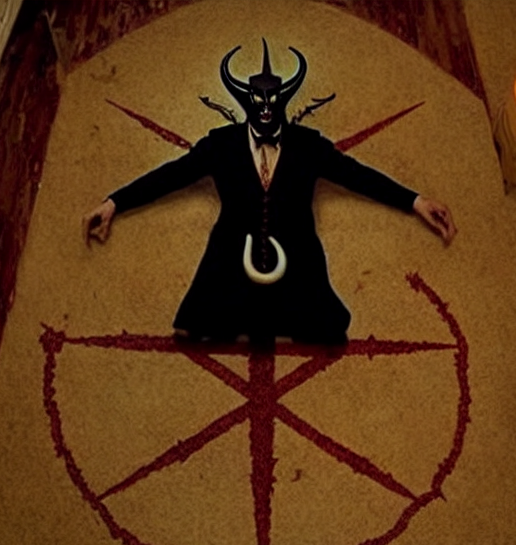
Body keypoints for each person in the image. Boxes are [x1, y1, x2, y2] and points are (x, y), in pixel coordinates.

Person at [84, 41, 456, 344]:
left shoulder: (309, 145)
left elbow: (357, 175)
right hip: (231, 250)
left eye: (272, 99)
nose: (265, 108)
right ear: (245, 101)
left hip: (297, 249)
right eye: (257, 100)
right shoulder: (220, 145)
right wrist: (115, 202)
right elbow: (171, 175)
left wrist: (415, 201)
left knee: (325, 331)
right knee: (197, 328)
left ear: (283, 99)